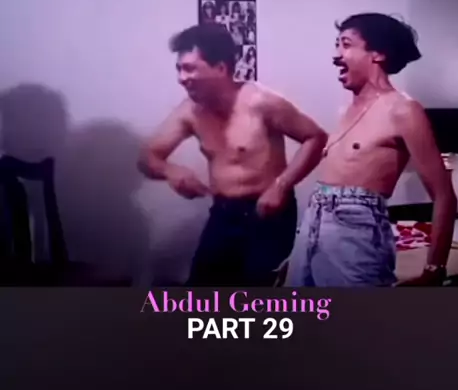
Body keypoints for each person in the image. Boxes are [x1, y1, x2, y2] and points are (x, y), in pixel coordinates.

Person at [138, 23, 328, 287]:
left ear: (220, 68)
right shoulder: (190, 111)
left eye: (190, 68)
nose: (182, 78)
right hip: (223, 213)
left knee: (260, 292)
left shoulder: (261, 103)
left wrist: (281, 185)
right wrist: (170, 171)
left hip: (268, 215)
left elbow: (316, 138)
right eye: (179, 69)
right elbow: (147, 157)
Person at [286, 13, 458, 288]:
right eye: (337, 45)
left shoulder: (404, 110)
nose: (335, 55)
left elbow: (444, 195)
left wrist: (434, 268)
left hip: (358, 230)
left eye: (345, 44)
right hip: (313, 222)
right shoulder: (347, 109)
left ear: (378, 54)